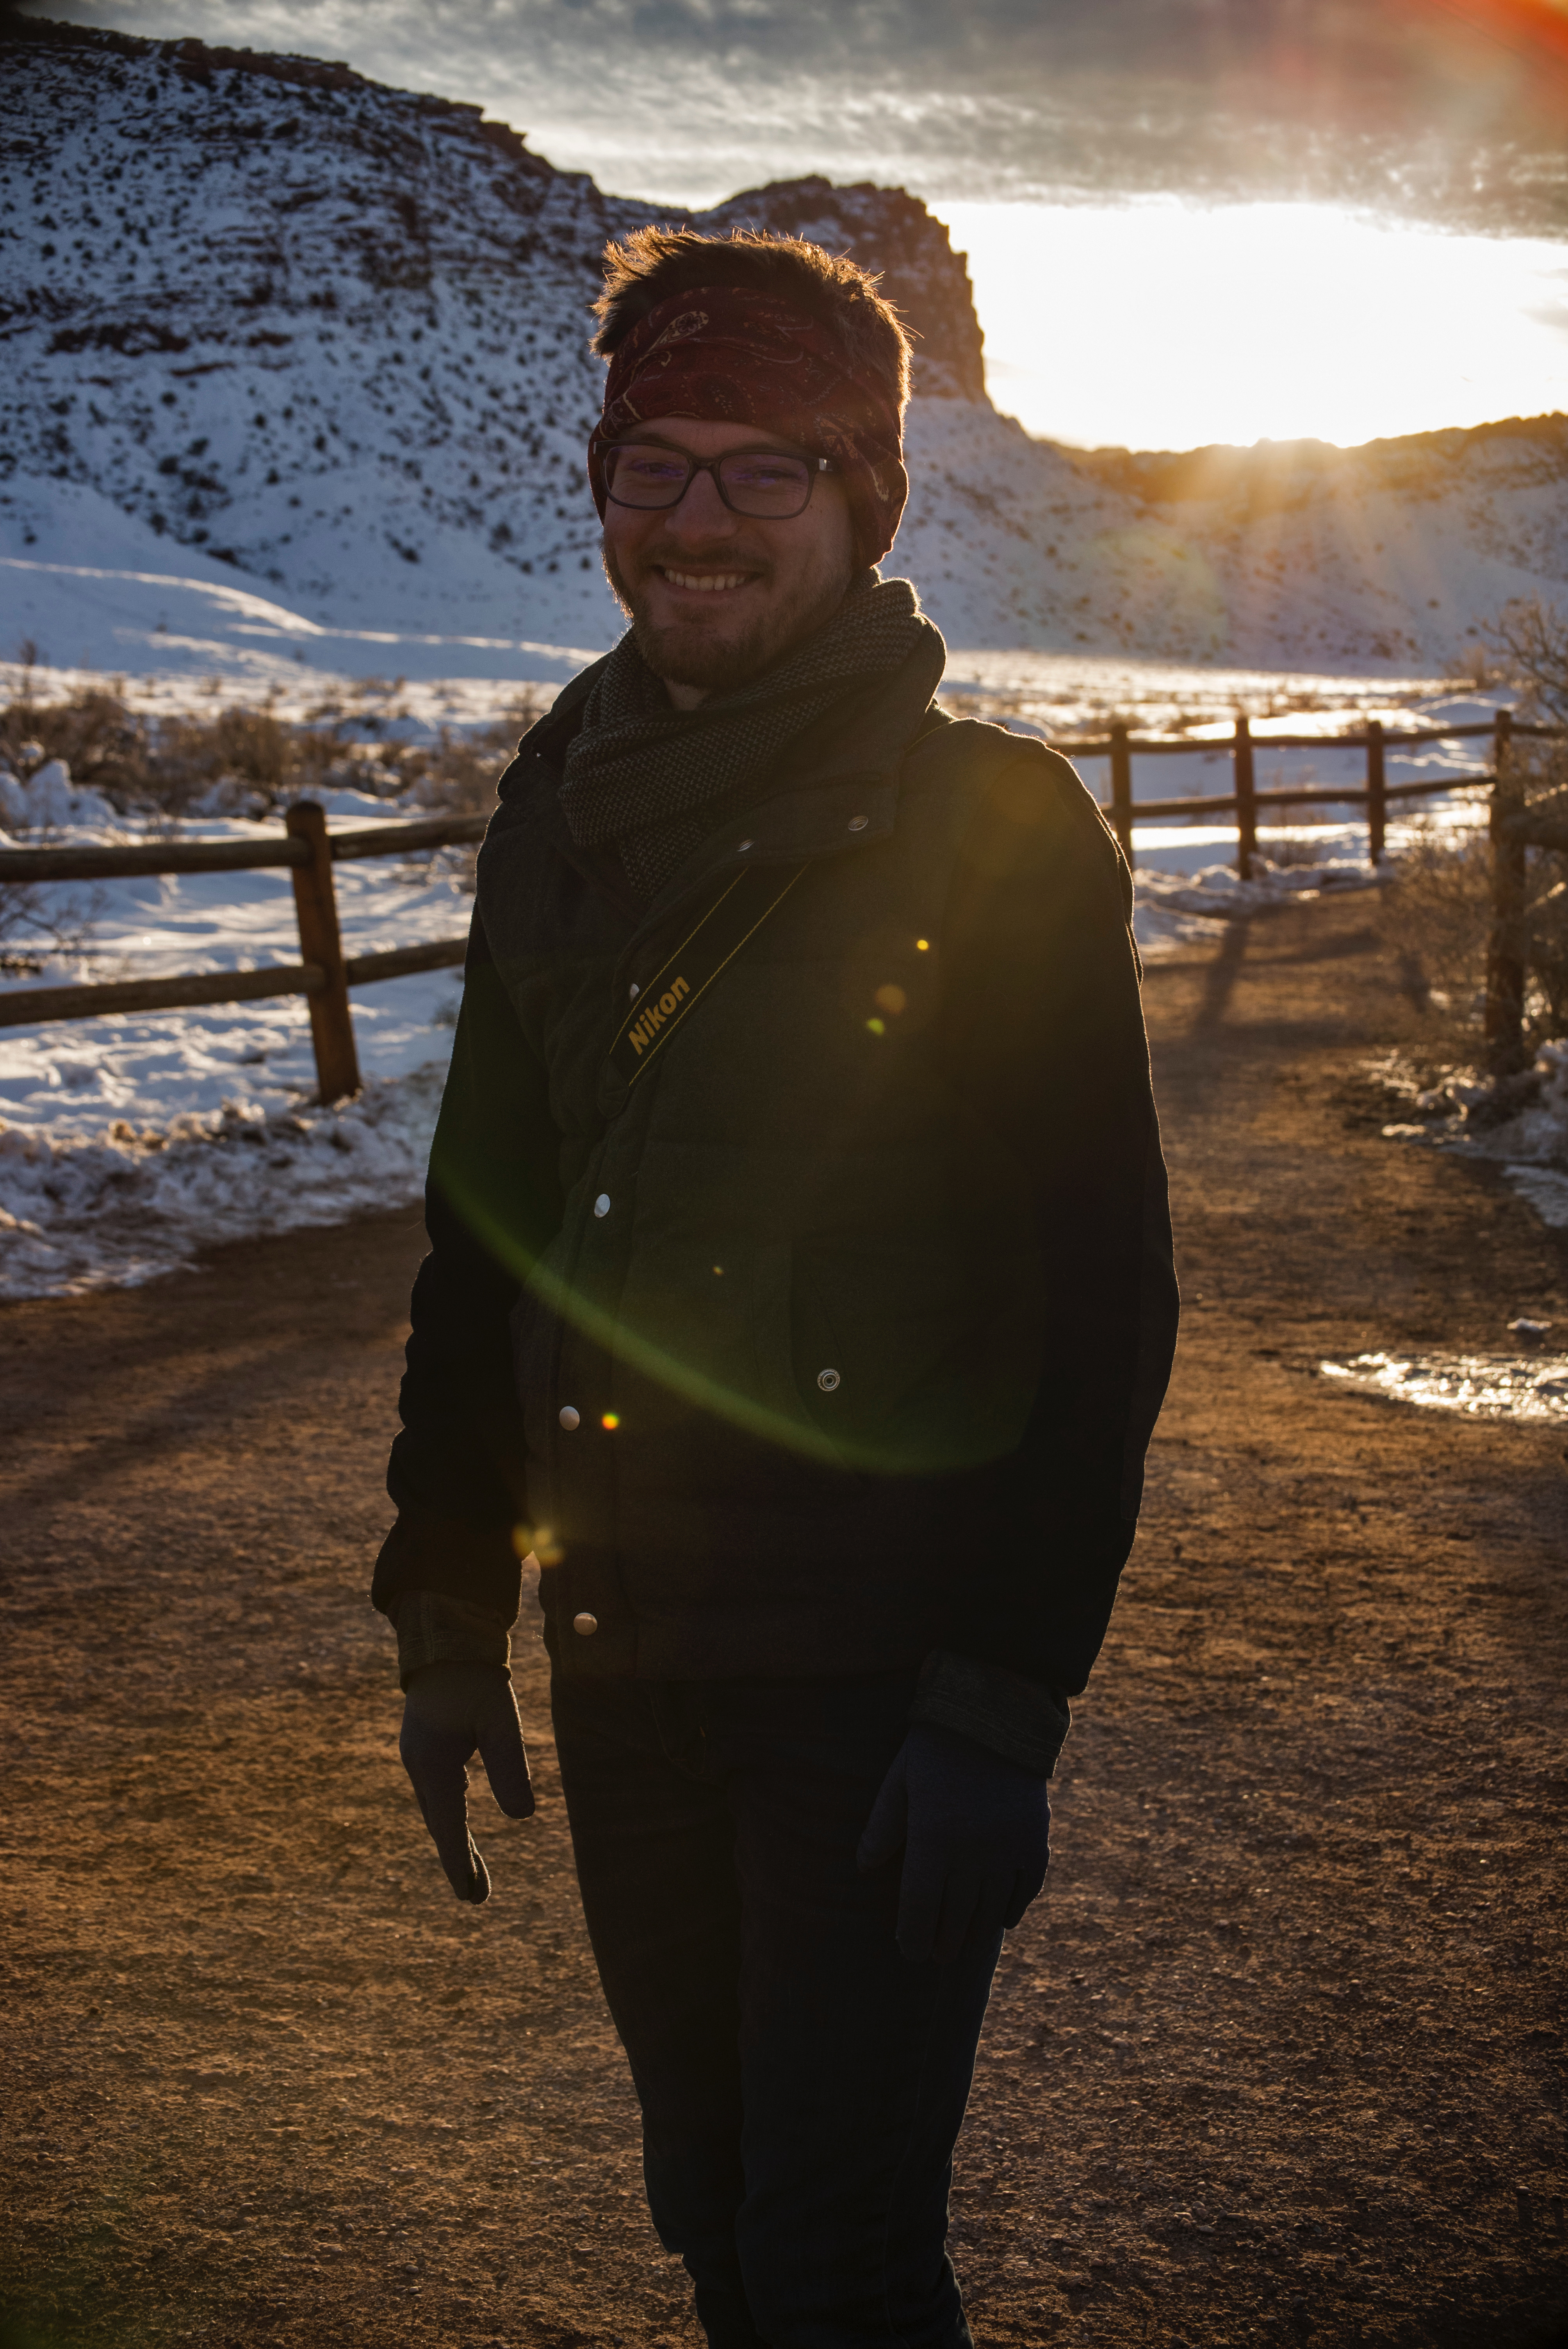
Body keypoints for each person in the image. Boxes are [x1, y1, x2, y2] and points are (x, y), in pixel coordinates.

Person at [373, 226, 1178, 2349]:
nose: (698, 521)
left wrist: (1002, 1698)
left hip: (875, 1693)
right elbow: (491, 1237)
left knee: (834, 2257)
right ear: (602, 487)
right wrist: (452, 1604)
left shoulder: (992, 829)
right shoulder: (558, 807)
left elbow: (1101, 1303)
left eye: (764, 471)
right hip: (626, 1660)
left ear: (866, 502)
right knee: (717, 2217)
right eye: (658, 466)